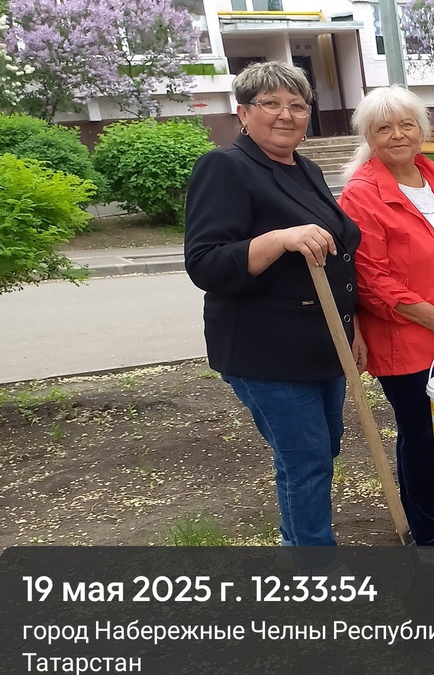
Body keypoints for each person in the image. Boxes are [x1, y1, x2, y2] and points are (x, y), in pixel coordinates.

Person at [184, 61, 366, 554]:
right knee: (306, 458)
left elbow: (337, 254)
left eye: (298, 105)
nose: (286, 115)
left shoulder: (306, 169)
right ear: (243, 113)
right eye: (270, 103)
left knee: (319, 450)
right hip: (266, 349)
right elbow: (205, 264)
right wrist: (277, 239)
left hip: (322, 343)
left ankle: (295, 542)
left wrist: (353, 326)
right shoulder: (225, 167)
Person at [337, 86, 434, 551]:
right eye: (384, 128)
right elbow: (371, 279)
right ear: (369, 136)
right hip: (406, 338)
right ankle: (430, 535)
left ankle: (430, 517)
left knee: (432, 431)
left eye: (406, 125)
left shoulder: (432, 178)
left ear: (422, 130)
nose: (397, 135)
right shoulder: (362, 195)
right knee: (421, 435)